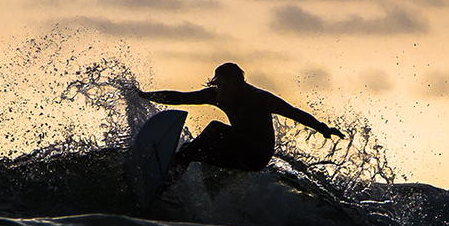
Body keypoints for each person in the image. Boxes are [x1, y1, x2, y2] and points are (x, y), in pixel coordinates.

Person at [137, 62, 342, 175]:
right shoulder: (217, 94)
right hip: (237, 154)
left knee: (215, 129)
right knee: (189, 153)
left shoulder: (260, 99)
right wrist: (145, 95)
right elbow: (180, 97)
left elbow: (295, 113)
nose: (221, 90)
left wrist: (323, 128)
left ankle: (176, 164)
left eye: (225, 85)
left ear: (238, 83)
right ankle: (165, 183)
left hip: (257, 155)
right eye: (219, 85)